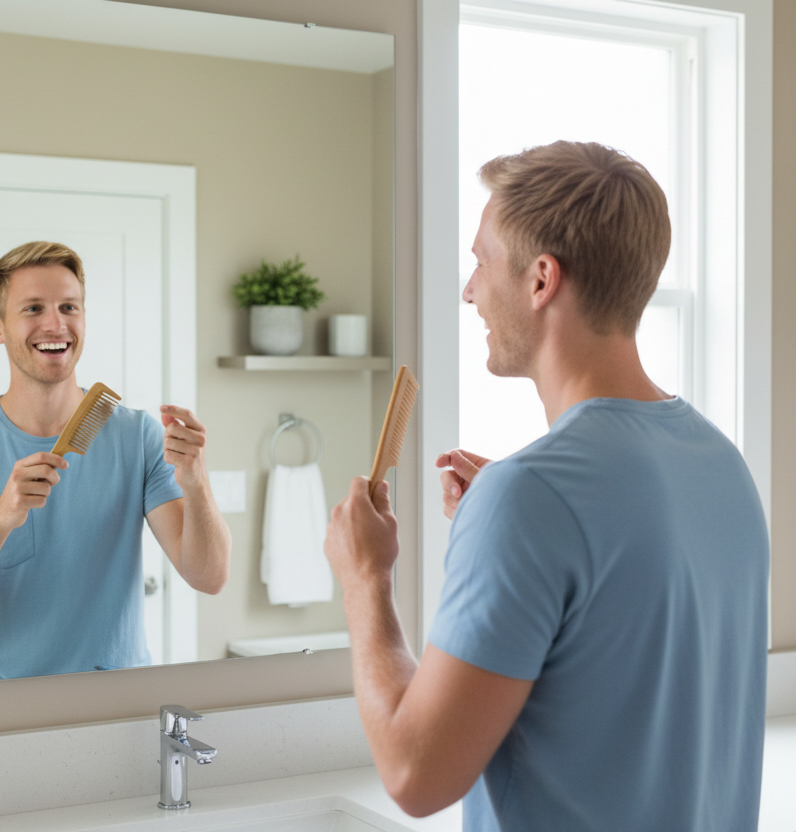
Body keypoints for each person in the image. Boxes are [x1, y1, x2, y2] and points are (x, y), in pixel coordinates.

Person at [324, 141, 768, 830]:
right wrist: (516, 534)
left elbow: (414, 776)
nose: (469, 290)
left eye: (480, 262)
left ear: (540, 280)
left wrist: (365, 581)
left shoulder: (528, 499)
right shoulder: (721, 464)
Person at [0, 241, 230, 681]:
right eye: (33, 309)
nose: (56, 324)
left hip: (115, 696)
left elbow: (210, 577)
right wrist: (0, 517)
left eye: (69, 307)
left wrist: (195, 480)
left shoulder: (138, 437)